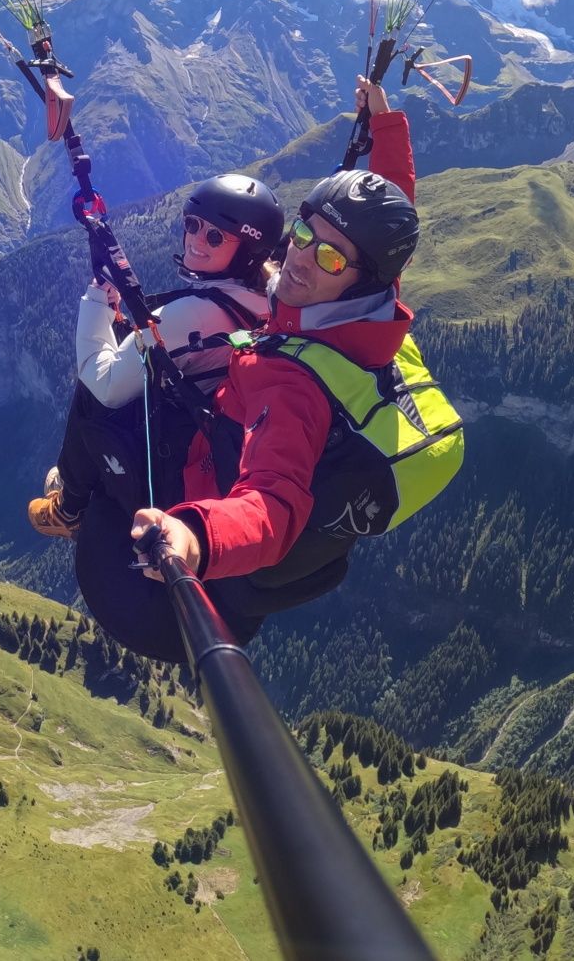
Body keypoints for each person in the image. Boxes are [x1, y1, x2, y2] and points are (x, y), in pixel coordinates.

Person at [75, 76, 426, 664]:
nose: (299, 260)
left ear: (358, 278)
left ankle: (69, 496)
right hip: (242, 500)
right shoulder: (369, 306)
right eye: (306, 235)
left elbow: (273, 504)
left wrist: (195, 537)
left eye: (330, 257)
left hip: (201, 508)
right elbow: (395, 216)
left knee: (102, 406)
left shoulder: (293, 383)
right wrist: (386, 126)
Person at [27, 171, 284, 538]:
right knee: (124, 347)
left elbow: (103, 382)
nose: (195, 239)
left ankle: (69, 505)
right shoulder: (276, 295)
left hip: (178, 453)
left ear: (248, 251)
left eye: (214, 235)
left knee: (91, 390)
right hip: (220, 431)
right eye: (192, 224)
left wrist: (99, 298)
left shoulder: (192, 315)